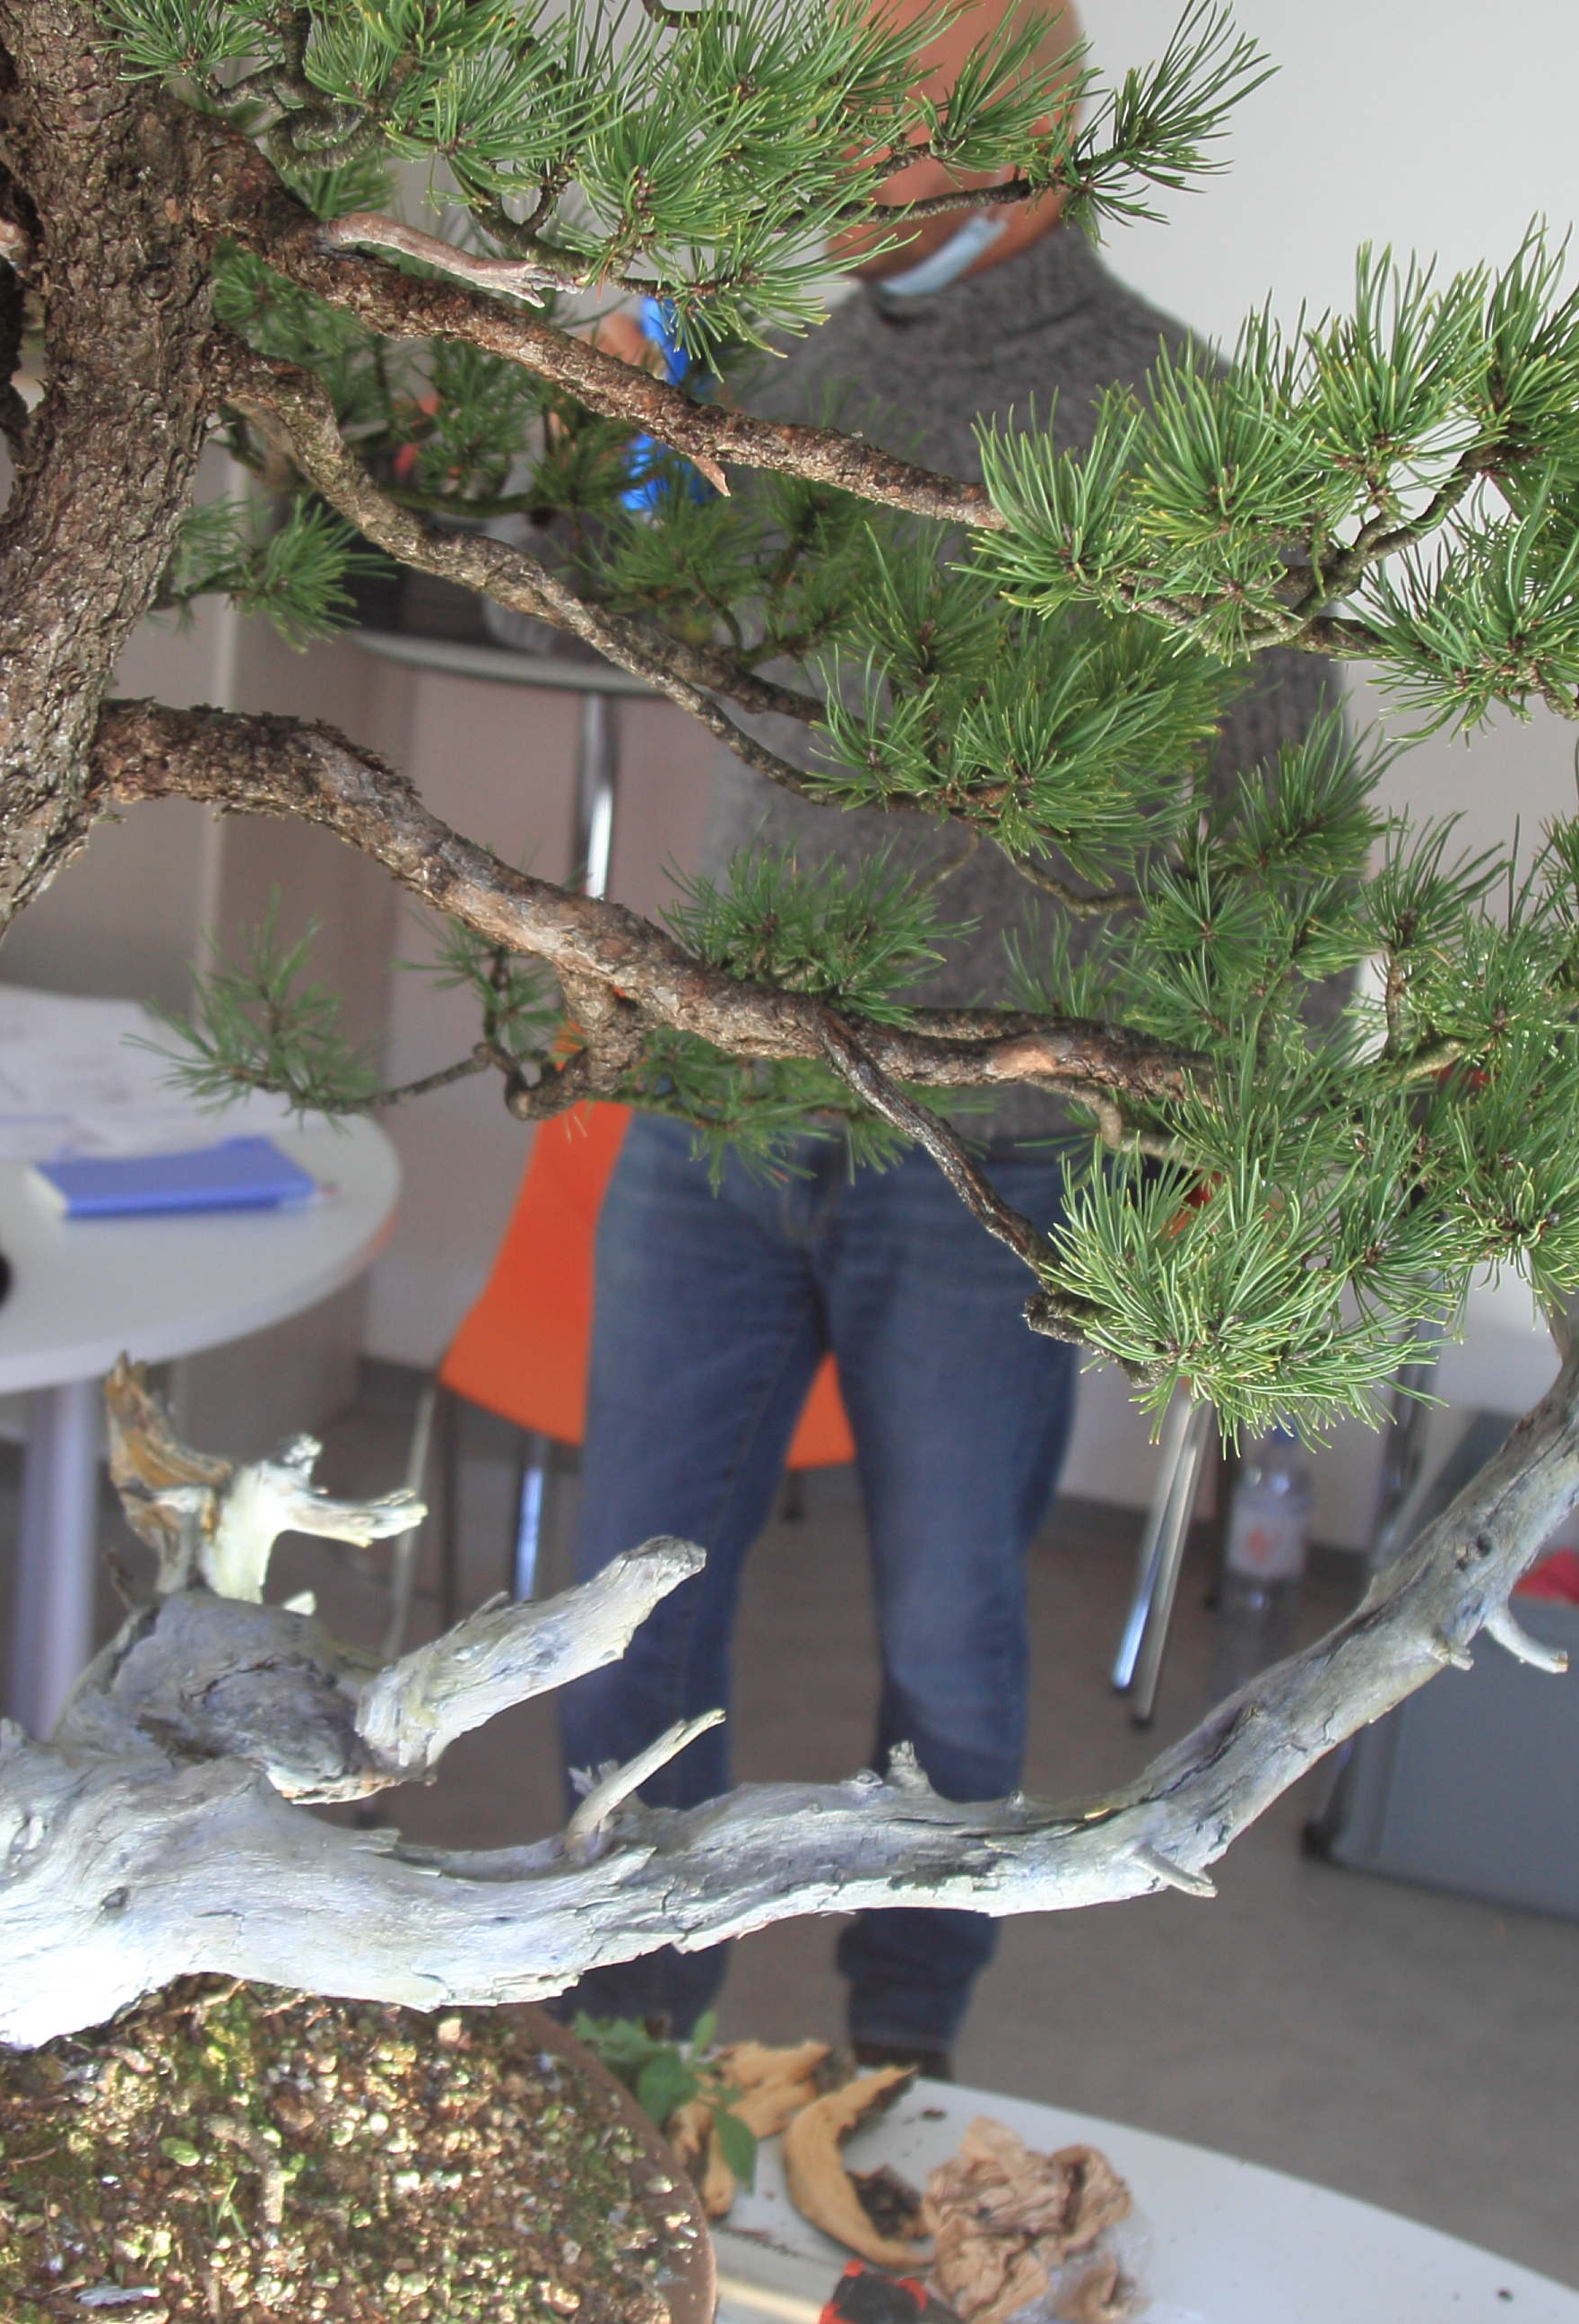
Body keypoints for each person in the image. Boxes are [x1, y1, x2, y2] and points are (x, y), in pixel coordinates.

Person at [554, 0, 1336, 2076]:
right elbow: (625, 601)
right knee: (618, 1615)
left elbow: (1291, 828)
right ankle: (635, 2058)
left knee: (954, 1643)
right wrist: (599, 424)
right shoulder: (798, 379)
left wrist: (1258, 1171)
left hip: (996, 1153)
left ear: (1030, 122)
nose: (833, 138)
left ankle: (896, 2066)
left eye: (885, 96)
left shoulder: (1180, 423)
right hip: (725, 1114)